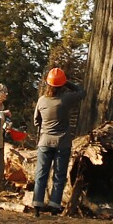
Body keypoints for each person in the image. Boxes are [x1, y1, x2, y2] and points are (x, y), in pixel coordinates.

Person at [29, 66, 84, 214]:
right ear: (61, 85)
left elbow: (36, 121)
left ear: (48, 84)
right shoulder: (65, 99)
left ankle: (37, 206)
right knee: (59, 176)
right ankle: (54, 206)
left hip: (45, 142)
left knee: (41, 175)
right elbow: (81, 92)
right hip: (62, 143)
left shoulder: (42, 100)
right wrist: (68, 83)